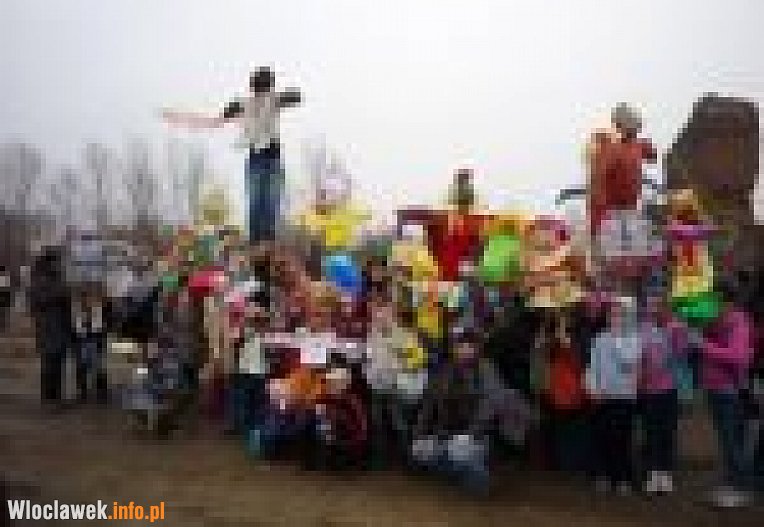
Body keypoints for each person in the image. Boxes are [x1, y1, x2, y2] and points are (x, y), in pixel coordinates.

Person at [163, 66, 301, 243]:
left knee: (269, 199)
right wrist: (225, 114)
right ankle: (257, 239)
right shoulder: (247, 103)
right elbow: (228, 112)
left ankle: (267, 238)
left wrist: (286, 96)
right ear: (255, 88)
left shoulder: (273, 100)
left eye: (266, 89)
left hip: (270, 157)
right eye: (261, 88)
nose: (263, 93)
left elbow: (295, 97)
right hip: (258, 158)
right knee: (258, 199)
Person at [411, 326, 534, 496]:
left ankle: (482, 476)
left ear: (477, 347)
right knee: (424, 454)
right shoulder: (443, 371)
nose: (465, 349)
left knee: (470, 467)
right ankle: (457, 469)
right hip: (448, 434)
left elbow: (490, 404)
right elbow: (428, 404)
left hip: (483, 435)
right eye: (460, 345)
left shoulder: (486, 370)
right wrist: (419, 435)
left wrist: (470, 434)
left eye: (469, 345)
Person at [700, 283, 756, 507]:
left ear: (727, 301)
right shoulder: (716, 321)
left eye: (714, 300)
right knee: (727, 440)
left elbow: (737, 356)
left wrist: (703, 345)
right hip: (715, 388)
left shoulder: (739, 322)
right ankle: (732, 484)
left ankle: (741, 488)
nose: (711, 305)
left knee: (733, 441)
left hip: (730, 390)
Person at [585, 298, 642, 494]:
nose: (615, 318)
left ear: (627, 317)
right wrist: (593, 389)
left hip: (624, 396)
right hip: (603, 396)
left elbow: (629, 363)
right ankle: (604, 475)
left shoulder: (633, 338)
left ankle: (623, 478)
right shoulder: (599, 338)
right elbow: (592, 366)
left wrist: (617, 339)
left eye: (620, 315)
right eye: (612, 315)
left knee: (622, 439)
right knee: (603, 437)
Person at [29, 245, 72, 409]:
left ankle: (56, 397)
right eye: (57, 260)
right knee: (49, 364)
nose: (59, 263)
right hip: (48, 326)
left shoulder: (57, 277)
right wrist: (61, 294)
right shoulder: (40, 278)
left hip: (59, 325)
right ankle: (49, 399)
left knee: (58, 363)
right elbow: (37, 301)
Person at [70, 286, 110, 404]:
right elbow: (75, 327)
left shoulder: (98, 309)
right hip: (81, 340)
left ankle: (101, 393)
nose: (86, 300)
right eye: (83, 298)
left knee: (98, 367)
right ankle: (83, 392)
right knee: (81, 367)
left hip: (94, 339)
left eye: (88, 297)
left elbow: (100, 326)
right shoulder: (76, 311)